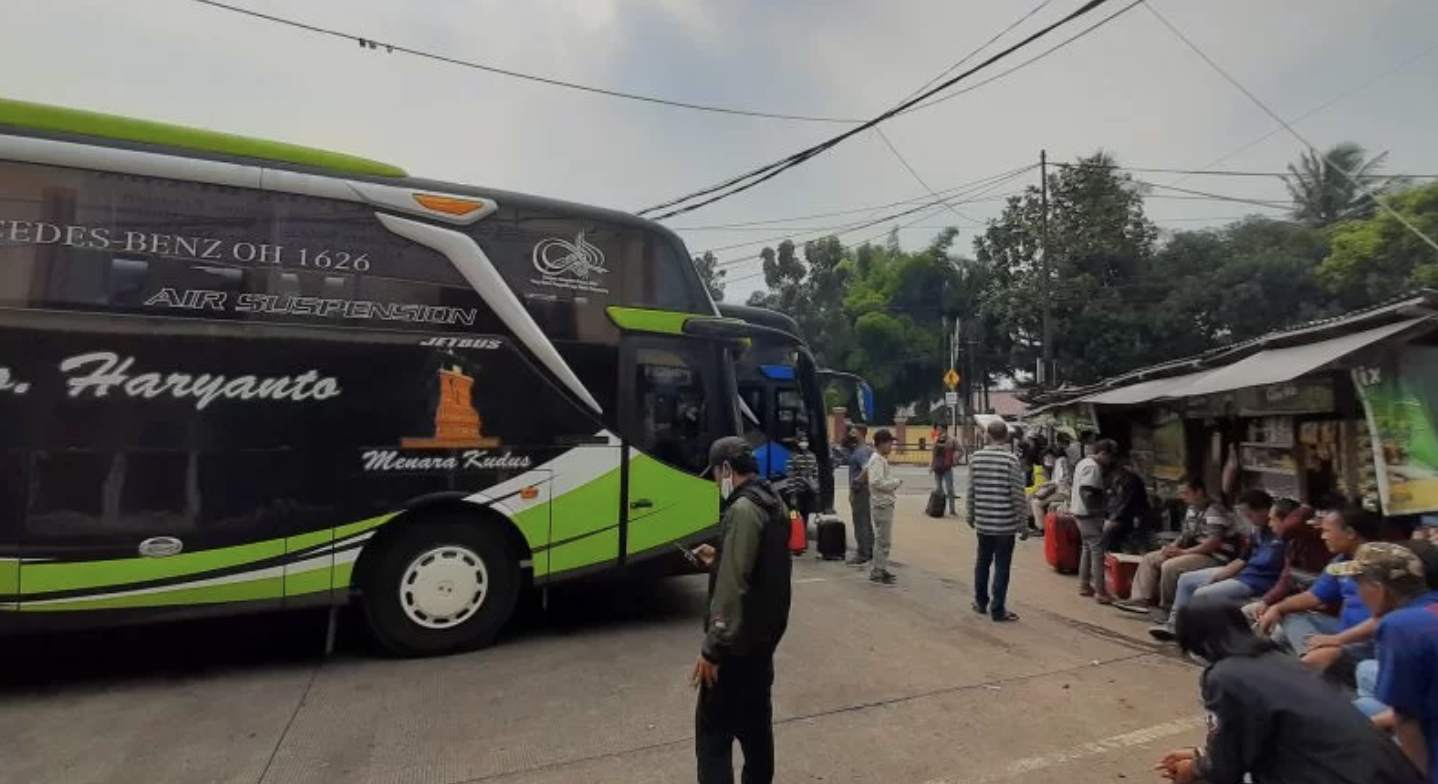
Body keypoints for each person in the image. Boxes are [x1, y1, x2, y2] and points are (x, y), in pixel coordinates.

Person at [1153, 598, 1424, 784]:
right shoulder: (1281, 661)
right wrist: (1203, 756)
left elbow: (1226, 769)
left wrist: (1195, 769)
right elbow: (1264, 738)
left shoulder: (1224, 677)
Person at [690, 436, 793, 784]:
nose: (717, 482)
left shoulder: (743, 509)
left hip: (734, 648)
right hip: (763, 646)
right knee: (756, 733)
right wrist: (718, 559)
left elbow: (733, 585)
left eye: (717, 474)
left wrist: (712, 647)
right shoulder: (774, 503)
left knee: (712, 737)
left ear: (727, 469)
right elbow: (757, 569)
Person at [1331, 541, 1438, 780]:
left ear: (1378, 588)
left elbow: (1406, 717)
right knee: (1363, 703)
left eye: (1359, 585)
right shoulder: (1428, 610)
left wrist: (1416, 777)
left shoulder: (1400, 626)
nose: (1357, 593)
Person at [1256, 507, 1380, 679]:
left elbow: (1384, 621)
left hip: (1371, 642)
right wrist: (1277, 607)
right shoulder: (1341, 560)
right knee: (1289, 616)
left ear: (1350, 533)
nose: (1323, 536)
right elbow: (1313, 596)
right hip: (1340, 633)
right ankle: (1316, 659)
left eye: (1327, 531)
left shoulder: (1382, 565)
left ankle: (1317, 662)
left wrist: (1339, 641)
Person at [1150, 489, 1284, 641]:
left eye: (1250, 515)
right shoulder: (1258, 531)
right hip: (1244, 573)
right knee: (1186, 580)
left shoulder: (1282, 536)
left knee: (1203, 593)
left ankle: (1197, 635)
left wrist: (1219, 579)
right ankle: (1174, 625)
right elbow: (1242, 560)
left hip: (1259, 581)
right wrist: (1219, 576)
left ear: (1264, 510)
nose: (1249, 519)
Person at [1115, 475, 1242, 622]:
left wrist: (1183, 552)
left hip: (1214, 557)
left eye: (1186, 493)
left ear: (1199, 492)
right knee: (1151, 558)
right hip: (1194, 551)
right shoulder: (1192, 509)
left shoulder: (1215, 510)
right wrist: (1172, 547)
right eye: (1181, 493)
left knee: (1170, 566)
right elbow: (1186, 534)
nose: (1183, 497)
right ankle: (1139, 599)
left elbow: (1213, 542)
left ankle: (1168, 610)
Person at [966, 419, 1027, 622]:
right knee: (1002, 565)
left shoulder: (975, 458)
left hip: (984, 523)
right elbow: (1018, 494)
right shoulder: (1011, 460)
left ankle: (981, 602)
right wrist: (1023, 524)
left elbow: (971, 490)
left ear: (987, 435)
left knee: (982, 563)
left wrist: (970, 514)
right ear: (1006, 437)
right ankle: (998, 609)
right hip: (1005, 525)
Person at [1069, 438, 1118, 603]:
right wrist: (1098, 513)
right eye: (1110, 457)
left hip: (1079, 513)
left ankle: (1084, 585)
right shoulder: (1092, 467)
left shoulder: (1083, 462)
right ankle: (1100, 591)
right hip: (1087, 515)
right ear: (1103, 453)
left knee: (1087, 548)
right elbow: (1087, 492)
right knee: (1097, 550)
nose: (1110, 461)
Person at [865, 429, 902, 585]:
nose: (891, 446)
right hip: (881, 504)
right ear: (881, 444)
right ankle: (878, 571)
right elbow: (876, 482)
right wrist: (895, 483)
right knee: (883, 539)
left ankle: (881, 567)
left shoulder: (879, 459)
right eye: (889, 443)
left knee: (884, 539)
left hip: (883, 503)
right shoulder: (877, 460)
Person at [1103, 457, 1150, 553]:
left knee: (1108, 531)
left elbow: (1124, 504)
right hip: (1123, 516)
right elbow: (1112, 501)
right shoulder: (1115, 478)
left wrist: (1112, 519)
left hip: (1133, 518)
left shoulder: (1129, 480)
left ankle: (1112, 555)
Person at [846, 427, 874, 567]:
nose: (851, 434)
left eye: (853, 432)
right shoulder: (866, 449)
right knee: (866, 520)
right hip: (865, 490)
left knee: (860, 521)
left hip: (860, 491)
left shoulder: (862, 451)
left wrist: (856, 482)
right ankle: (869, 550)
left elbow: (866, 468)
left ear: (861, 434)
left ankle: (862, 553)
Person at [784, 434, 820, 523]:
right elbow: (790, 477)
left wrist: (815, 489)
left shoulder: (812, 456)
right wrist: (792, 495)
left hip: (808, 492)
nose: (804, 443)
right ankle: (794, 529)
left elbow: (815, 474)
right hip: (796, 492)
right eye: (802, 441)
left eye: (806, 441)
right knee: (793, 513)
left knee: (805, 513)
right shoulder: (792, 457)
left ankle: (803, 531)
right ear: (797, 443)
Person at [930, 432, 958, 517]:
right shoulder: (935, 446)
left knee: (949, 489)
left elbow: (955, 450)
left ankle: (952, 510)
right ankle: (939, 509)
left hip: (946, 468)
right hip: (938, 468)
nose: (941, 440)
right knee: (939, 489)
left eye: (944, 438)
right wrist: (931, 466)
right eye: (940, 438)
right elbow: (933, 456)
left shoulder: (949, 445)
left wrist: (955, 459)